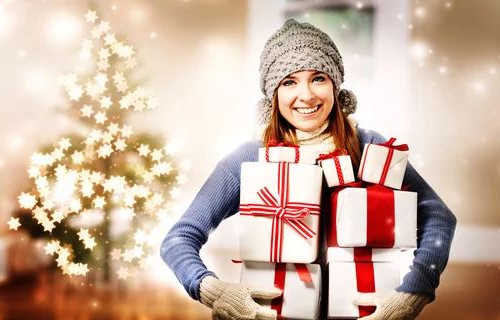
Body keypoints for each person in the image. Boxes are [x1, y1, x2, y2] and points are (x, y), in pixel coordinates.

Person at [160, 19, 457, 320]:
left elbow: (438, 215)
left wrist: (414, 293)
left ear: (335, 85)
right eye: (289, 82)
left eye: (318, 78)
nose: (307, 95)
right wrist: (213, 289)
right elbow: (178, 239)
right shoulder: (250, 157)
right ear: (273, 94)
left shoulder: (370, 146)